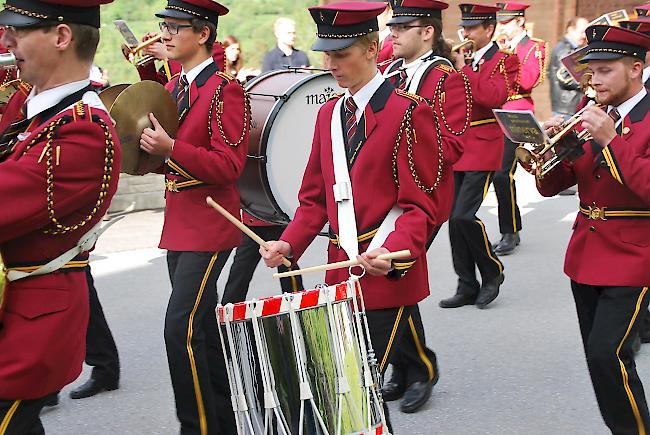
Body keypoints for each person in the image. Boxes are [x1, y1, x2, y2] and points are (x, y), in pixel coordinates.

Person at [260, 1, 461, 429]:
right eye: (326, 54)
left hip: (384, 272)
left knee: (353, 394)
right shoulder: (328, 114)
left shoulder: (409, 113)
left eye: (342, 53)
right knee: (348, 396)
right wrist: (289, 243)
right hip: (339, 270)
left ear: (372, 48)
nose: (330, 64)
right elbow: (314, 200)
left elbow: (419, 205)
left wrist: (393, 250)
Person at [0, 0, 122, 432]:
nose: (4, 41)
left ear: (62, 37)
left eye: (16, 30)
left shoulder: (83, 129)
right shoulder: (36, 110)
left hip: (28, 332)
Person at [138, 1, 248, 433]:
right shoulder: (176, 85)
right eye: (162, 26)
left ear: (202, 34)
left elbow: (229, 167)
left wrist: (171, 150)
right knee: (199, 327)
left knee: (178, 330)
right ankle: (221, 423)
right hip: (181, 221)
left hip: (210, 221)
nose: (164, 35)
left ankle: (195, 427)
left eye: (174, 27)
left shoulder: (225, 89)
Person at [538, 23, 650, 435]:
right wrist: (543, 149)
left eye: (605, 70)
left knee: (608, 355)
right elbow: (553, 185)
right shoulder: (591, 116)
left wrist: (610, 140)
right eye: (591, 71)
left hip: (636, 254)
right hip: (586, 254)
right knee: (598, 357)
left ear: (635, 69)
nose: (594, 79)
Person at [379, 0, 471, 414]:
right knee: (390, 276)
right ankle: (407, 365)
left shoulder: (446, 79)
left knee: (395, 277)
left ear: (428, 31)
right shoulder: (392, 72)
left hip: (426, 195)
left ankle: (418, 368)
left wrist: (405, 133)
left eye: (402, 27)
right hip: (384, 193)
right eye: (391, 27)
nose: (392, 34)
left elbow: (452, 146)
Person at [438, 3, 518, 309]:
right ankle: (466, 283)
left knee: (463, 215)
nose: (465, 33)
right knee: (453, 219)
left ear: (489, 29)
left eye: (472, 28)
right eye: (464, 27)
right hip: (457, 145)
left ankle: (492, 270)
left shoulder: (505, 61)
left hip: (484, 145)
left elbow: (493, 97)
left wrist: (464, 69)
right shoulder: (459, 59)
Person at [491, 2, 547, 255]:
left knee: (503, 173)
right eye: (499, 23)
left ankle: (510, 231)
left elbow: (527, 81)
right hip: (494, 114)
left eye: (506, 22)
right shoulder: (497, 49)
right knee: (494, 173)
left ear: (520, 22)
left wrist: (504, 57)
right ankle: (508, 227)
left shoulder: (534, 47)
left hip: (516, 116)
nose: (501, 27)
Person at [549, 17, 588, 119]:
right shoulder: (564, 50)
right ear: (570, 30)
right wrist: (589, 84)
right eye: (582, 32)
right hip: (567, 107)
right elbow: (565, 78)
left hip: (568, 106)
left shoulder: (571, 48)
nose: (584, 36)